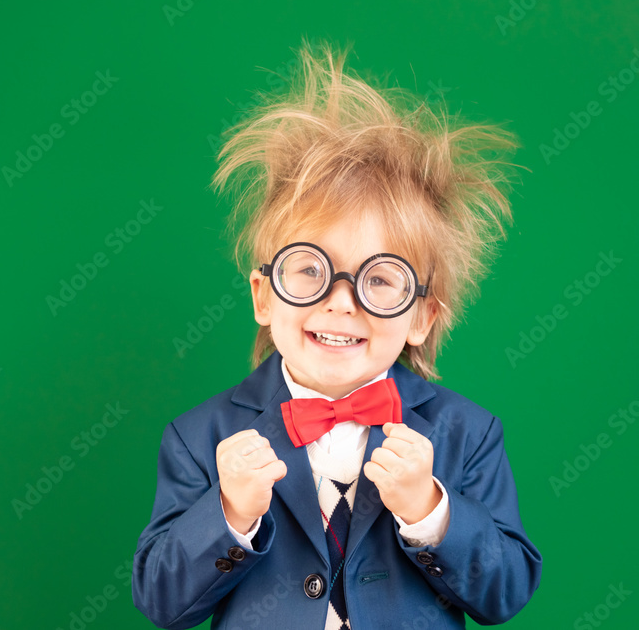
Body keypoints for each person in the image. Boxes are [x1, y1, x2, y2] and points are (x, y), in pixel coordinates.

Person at [132, 37, 542, 629]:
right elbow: (162, 600)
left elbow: (504, 592)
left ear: (422, 316)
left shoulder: (467, 434)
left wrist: (430, 511)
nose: (341, 303)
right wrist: (230, 514)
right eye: (309, 270)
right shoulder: (200, 437)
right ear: (264, 295)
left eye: (381, 280)